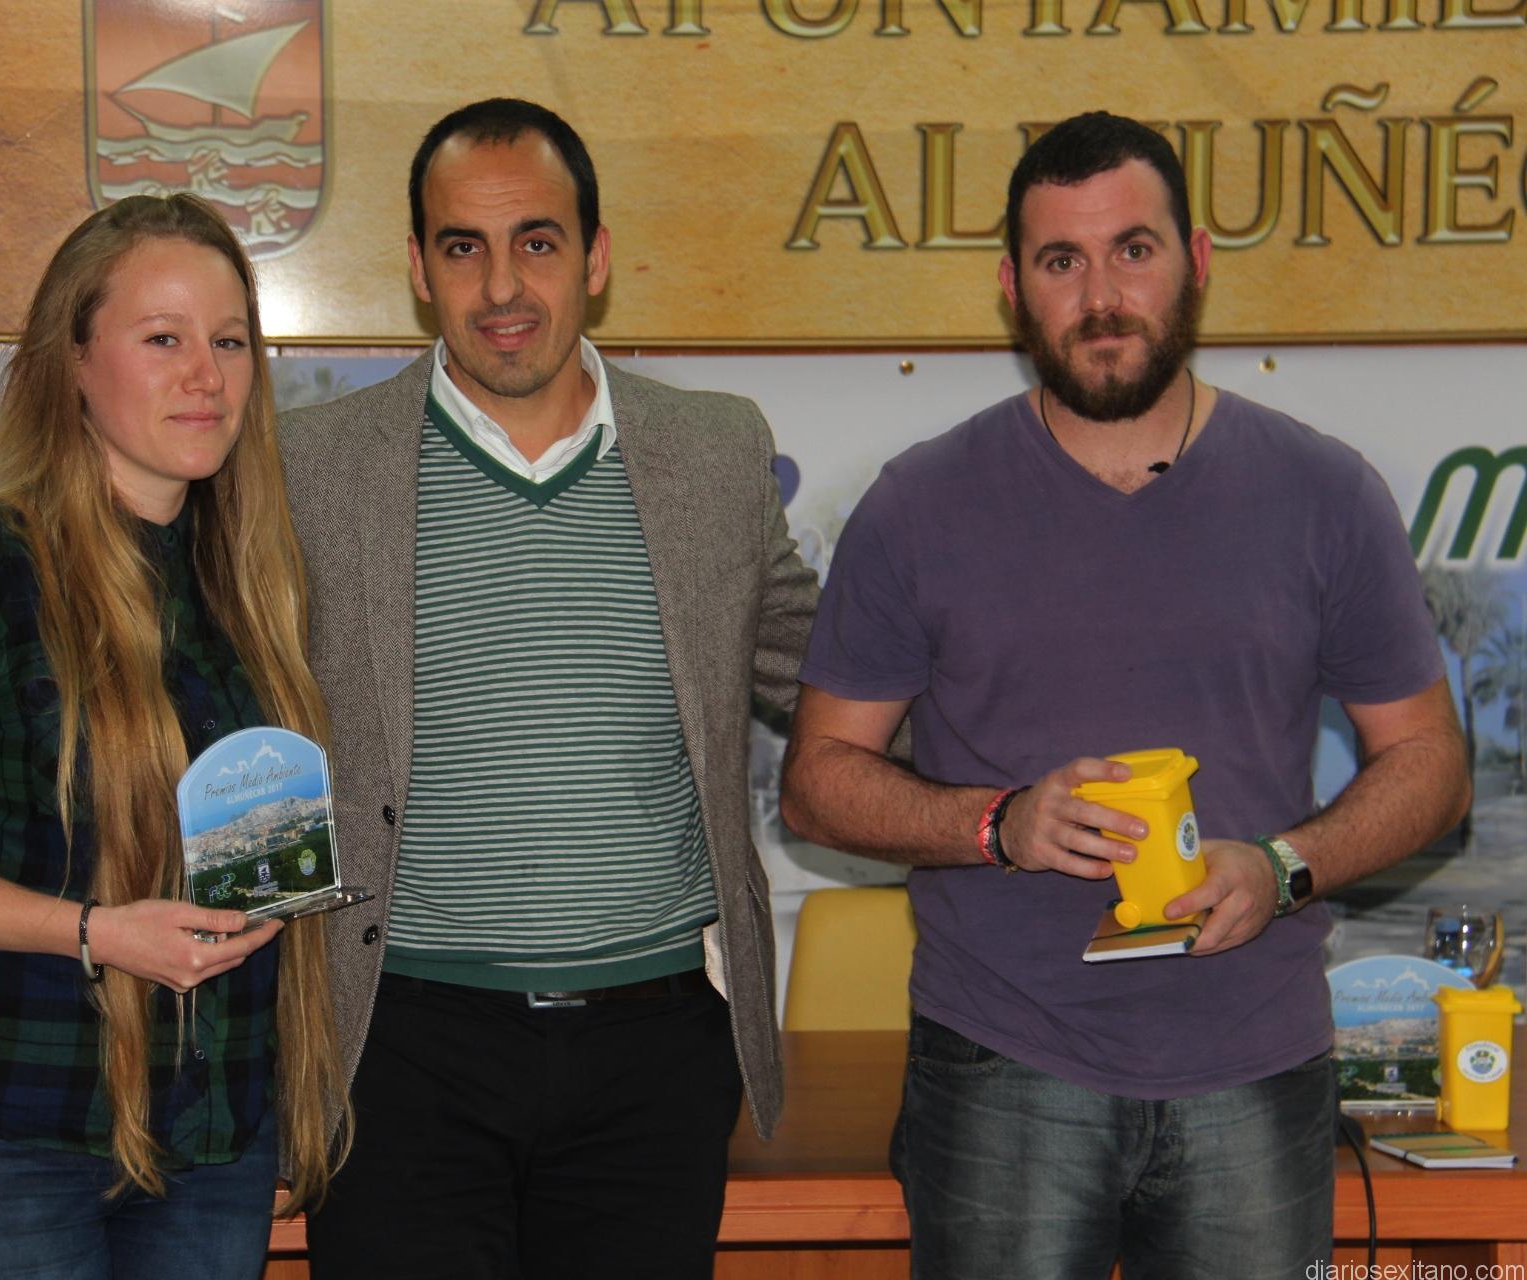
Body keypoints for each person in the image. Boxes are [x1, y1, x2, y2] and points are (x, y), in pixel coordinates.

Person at [780, 111, 1470, 1280]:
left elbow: (1432, 763)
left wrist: (1285, 865)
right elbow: (816, 780)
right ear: (1014, 289)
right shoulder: (919, 505)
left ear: (1195, 261)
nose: (1102, 297)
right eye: (1062, 261)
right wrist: (1000, 823)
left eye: (1133, 250)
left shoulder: (1325, 493)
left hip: (1257, 1062)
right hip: (1000, 1064)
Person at [277, 98, 818, 1279]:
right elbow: (235, 704)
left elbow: (824, 668)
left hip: (654, 1050)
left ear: (596, 257)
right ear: (418, 267)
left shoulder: (714, 452)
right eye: (462, 247)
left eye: (537, 241)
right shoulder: (313, 466)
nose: (502, 287)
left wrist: (1018, 733)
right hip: (399, 1044)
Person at [0, 193, 345, 1279]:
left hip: (212, 1137)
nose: (207, 376)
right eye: (163, 340)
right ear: (72, 362)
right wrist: (99, 932)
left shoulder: (256, 588)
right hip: (1, 1132)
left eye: (229, 341)